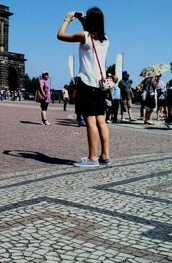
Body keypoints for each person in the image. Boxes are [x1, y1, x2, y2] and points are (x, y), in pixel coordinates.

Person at [57, 7, 111, 167]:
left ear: (90, 22)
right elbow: (89, 34)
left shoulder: (85, 36)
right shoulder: (106, 39)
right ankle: (105, 156)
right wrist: (82, 20)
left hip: (87, 84)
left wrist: (67, 19)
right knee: (101, 121)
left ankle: (92, 158)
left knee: (90, 122)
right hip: (100, 86)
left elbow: (60, 35)